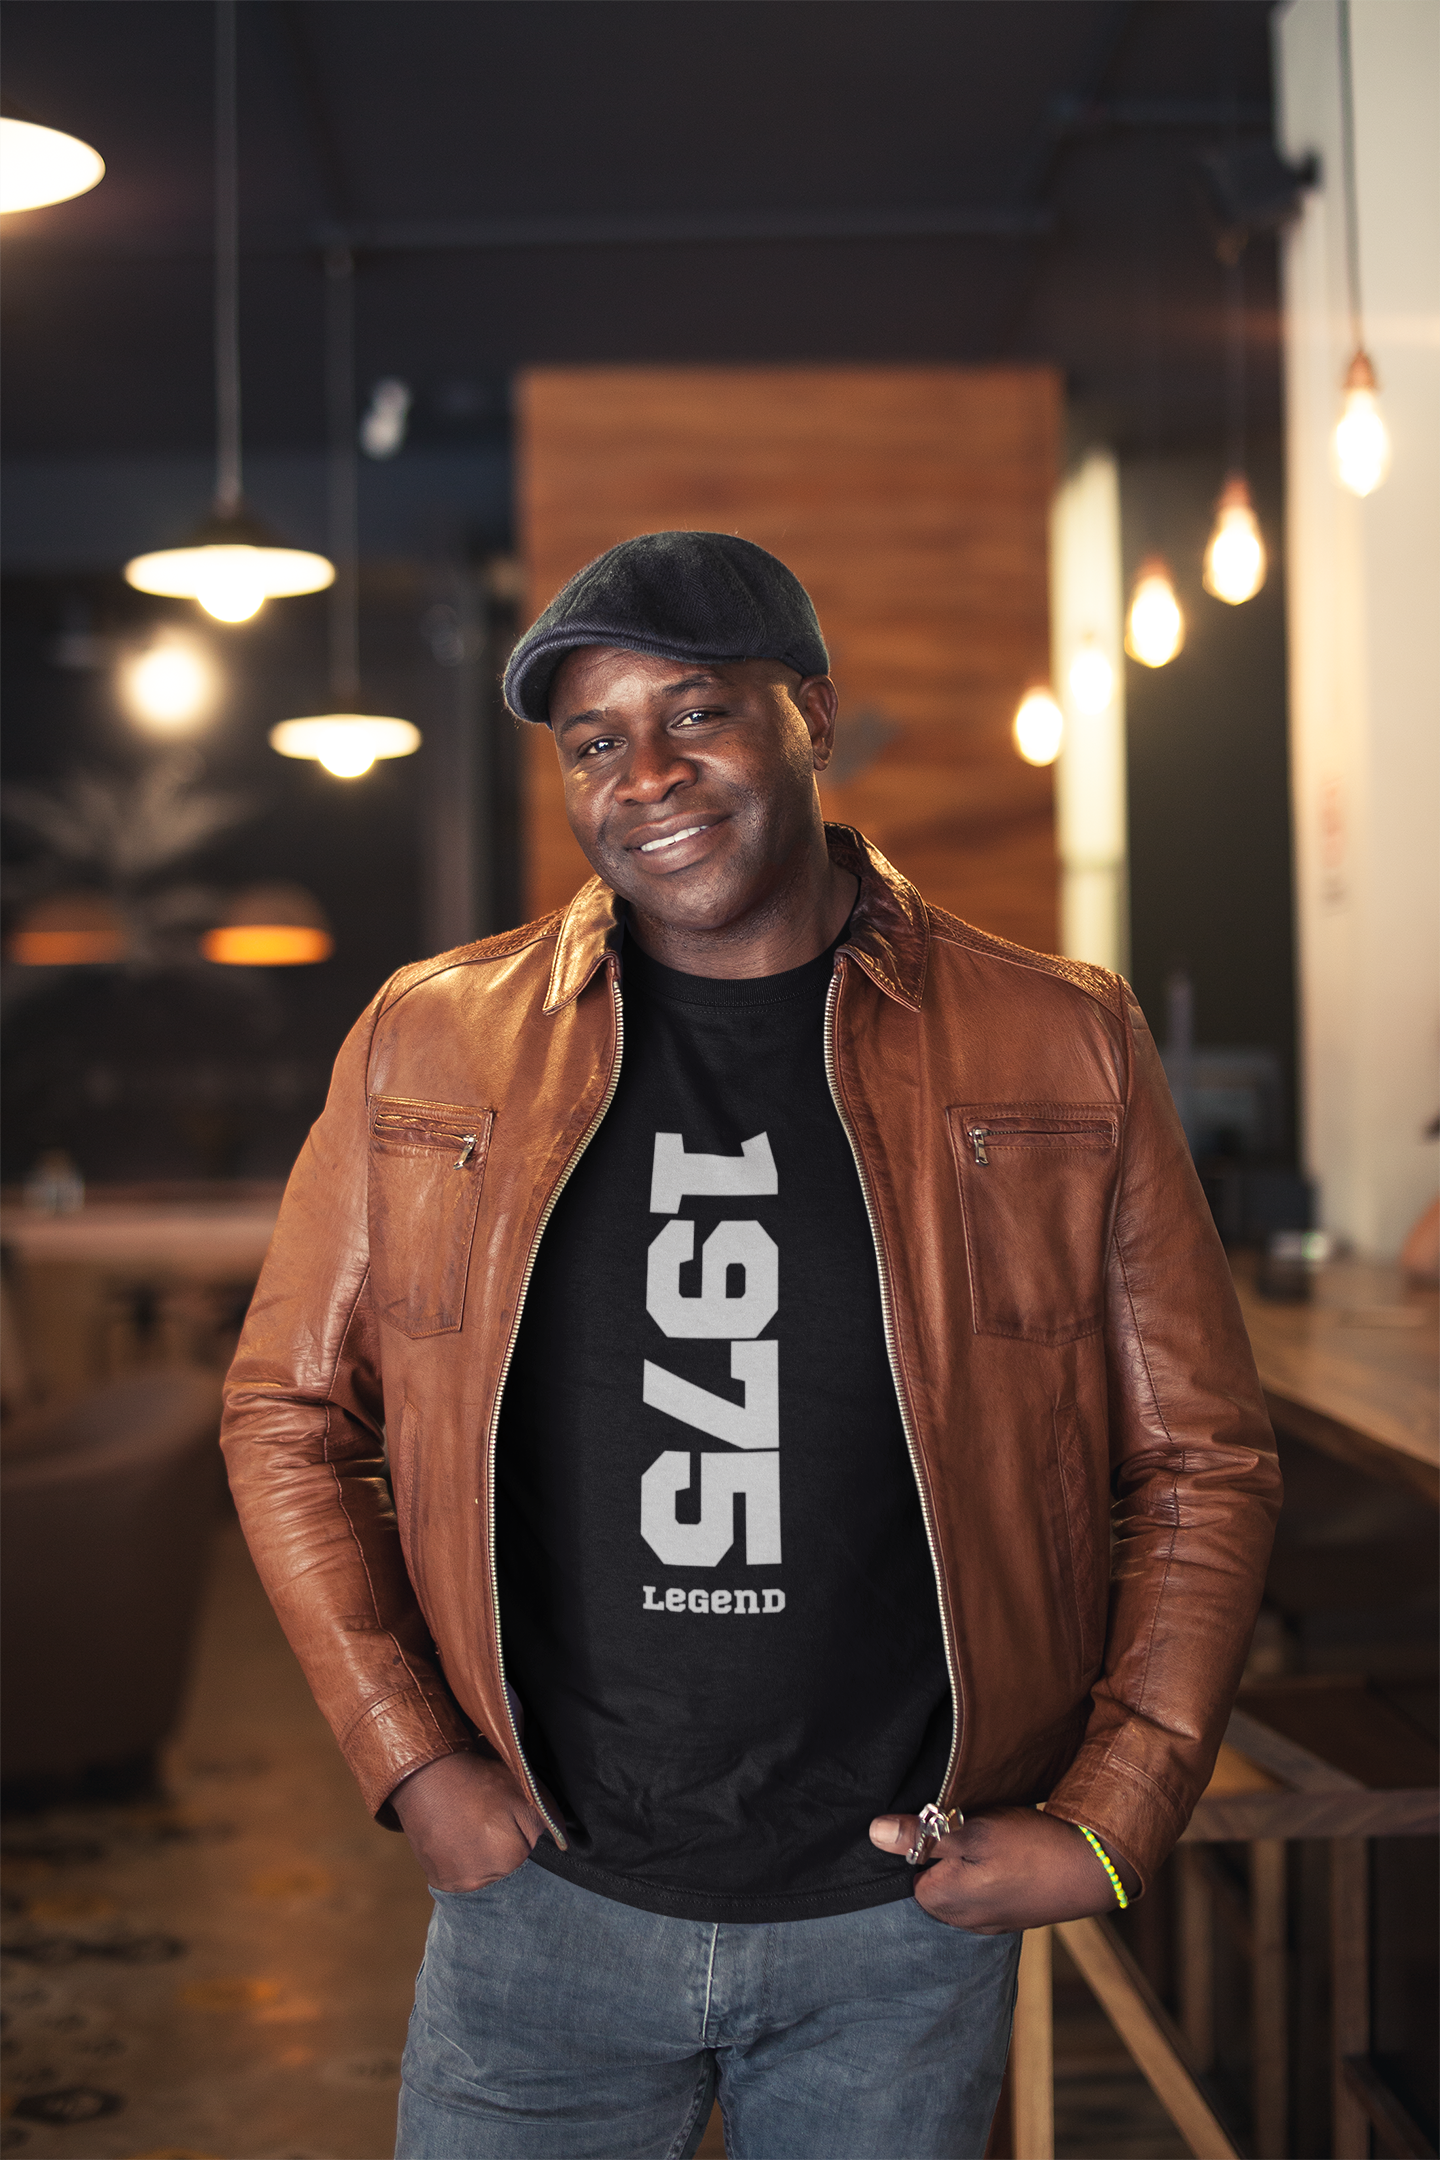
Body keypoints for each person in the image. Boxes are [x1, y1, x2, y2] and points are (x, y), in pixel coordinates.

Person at [222, 531, 1281, 2160]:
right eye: (594, 741)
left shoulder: (1059, 1040)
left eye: (696, 713)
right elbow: (289, 1412)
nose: (646, 773)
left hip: (897, 1925)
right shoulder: (432, 1040)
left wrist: (1118, 1815)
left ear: (812, 717)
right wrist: (414, 1760)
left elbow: (1203, 1460)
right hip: (544, 1914)